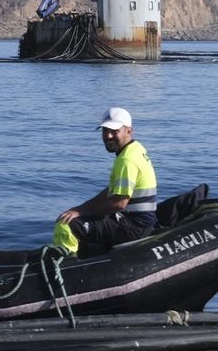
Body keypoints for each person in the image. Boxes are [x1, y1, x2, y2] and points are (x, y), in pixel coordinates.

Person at [53, 107, 158, 256]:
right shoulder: (135, 149)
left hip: (134, 227)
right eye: (105, 130)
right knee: (79, 217)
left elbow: (119, 203)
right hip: (142, 221)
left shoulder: (127, 160)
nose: (108, 136)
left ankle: (67, 266)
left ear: (129, 131)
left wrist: (81, 212)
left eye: (115, 131)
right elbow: (112, 191)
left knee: (66, 225)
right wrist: (80, 209)